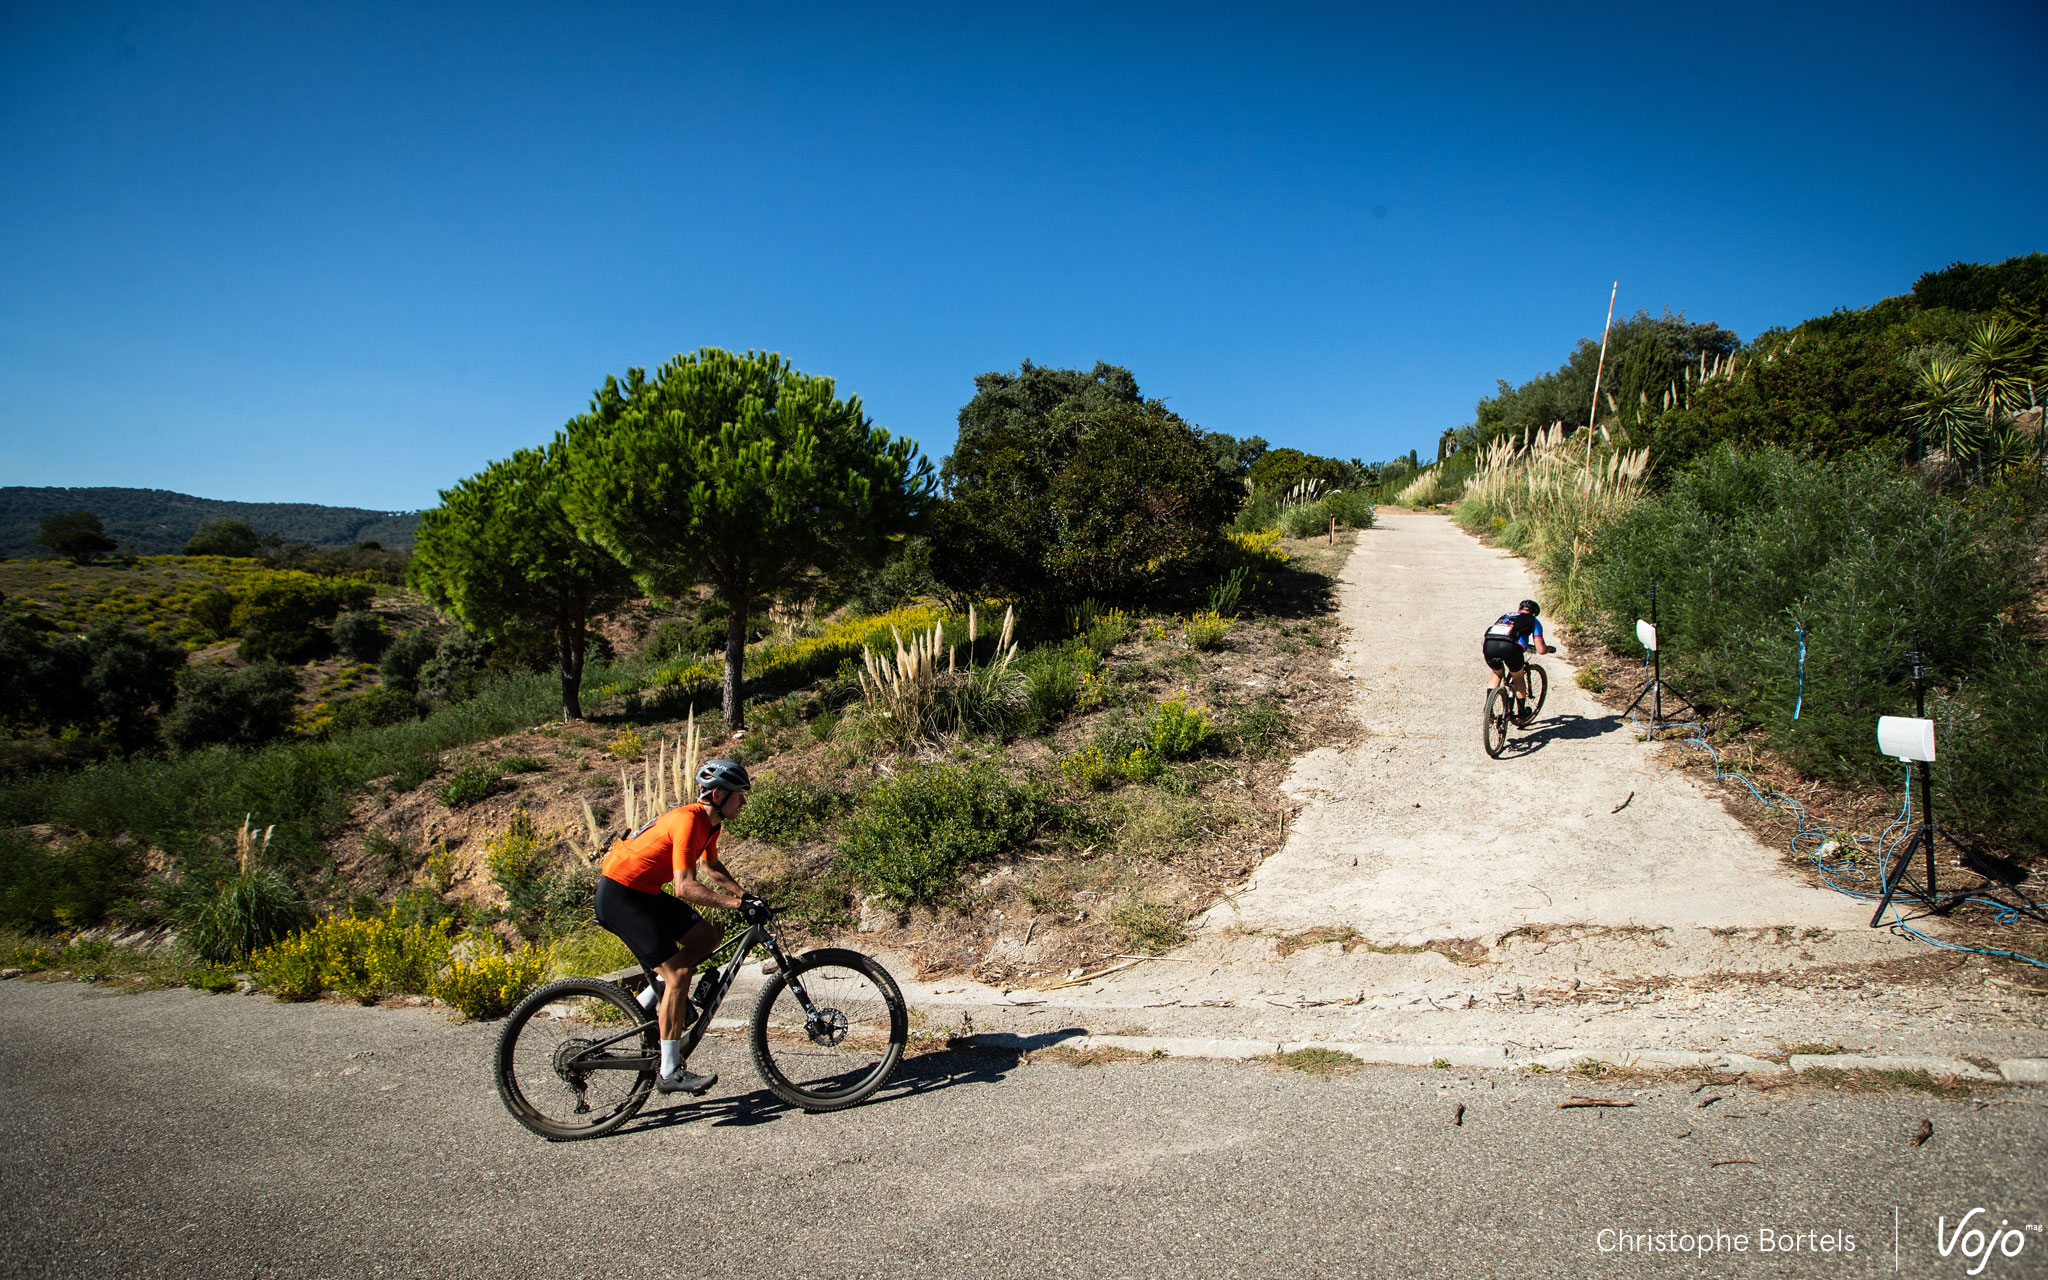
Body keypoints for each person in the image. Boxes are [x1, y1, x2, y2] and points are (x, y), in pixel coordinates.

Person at [594, 758, 756, 1097]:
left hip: (644, 893)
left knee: (708, 937)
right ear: (718, 795)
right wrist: (736, 905)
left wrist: (746, 896)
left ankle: (645, 1004)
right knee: (679, 974)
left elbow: (711, 867)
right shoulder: (687, 821)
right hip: (620, 896)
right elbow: (684, 887)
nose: (743, 802)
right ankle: (669, 1071)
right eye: (739, 795)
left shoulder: (711, 825)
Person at [1482, 598, 1550, 723]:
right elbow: (1540, 649)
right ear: (1534, 613)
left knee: (1497, 674)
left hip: (1489, 645)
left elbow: (1486, 637)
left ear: (1519, 609)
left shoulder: (1506, 616)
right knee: (1518, 677)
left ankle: (1488, 710)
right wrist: (1549, 649)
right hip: (1510, 648)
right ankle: (1522, 713)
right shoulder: (1533, 621)